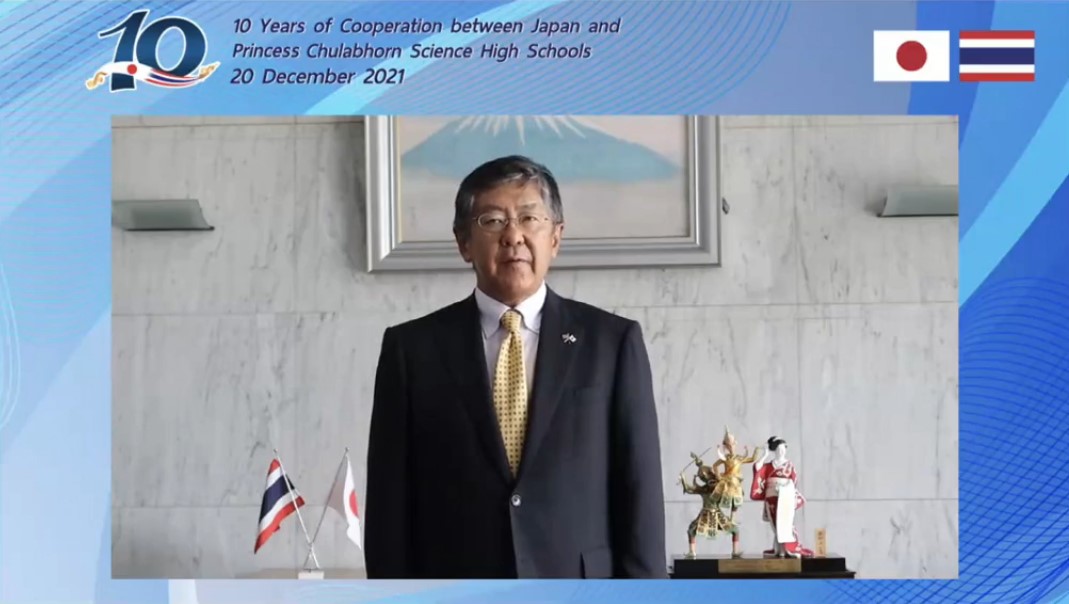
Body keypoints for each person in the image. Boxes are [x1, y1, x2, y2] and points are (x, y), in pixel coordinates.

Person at [364, 155, 667, 579]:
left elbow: (640, 496)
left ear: (555, 237)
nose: (513, 236)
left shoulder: (612, 343)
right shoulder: (411, 350)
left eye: (529, 218)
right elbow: (387, 510)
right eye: (492, 221)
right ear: (463, 242)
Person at [749, 436, 813, 558]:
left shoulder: (789, 465)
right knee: (775, 525)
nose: (782, 451)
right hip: (771, 496)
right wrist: (765, 455)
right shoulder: (769, 465)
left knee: (785, 524)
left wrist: (786, 488)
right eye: (779, 449)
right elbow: (757, 468)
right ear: (775, 450)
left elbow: (793, 481)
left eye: (784, 449)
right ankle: (779, 550)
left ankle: (786, 550)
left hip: (785, 497)